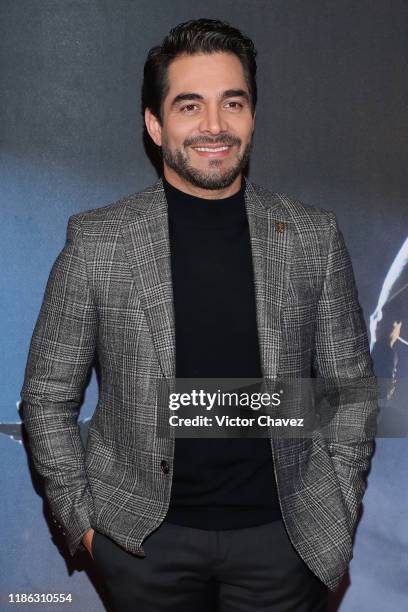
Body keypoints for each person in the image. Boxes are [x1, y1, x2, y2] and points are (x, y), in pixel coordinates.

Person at [20, 18, 377, 612]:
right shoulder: (98, 240)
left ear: (252, 116)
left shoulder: (313, 236)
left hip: (285, 546)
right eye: (190, 106)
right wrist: (83, 524)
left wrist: (337, 508)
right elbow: (48, 395)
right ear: (156, 125)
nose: (214, 126)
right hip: (141, 548)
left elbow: (351, 390)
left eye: (231, 103)